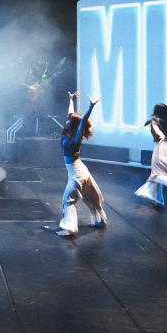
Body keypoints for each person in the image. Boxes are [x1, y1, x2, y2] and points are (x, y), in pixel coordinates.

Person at [54, 92, 108, 237]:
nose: (66, 121)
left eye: (69, 121)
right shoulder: (68, 132)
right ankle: (99, 221)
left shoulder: (76, 138)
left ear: (74, 125)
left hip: (77, 172)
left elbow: (83, 120)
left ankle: (70, 228)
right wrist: (71, 100)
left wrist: (91, 106)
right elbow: (70, 114)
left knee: (67, 199)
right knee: (89, 197)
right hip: (78, 170)